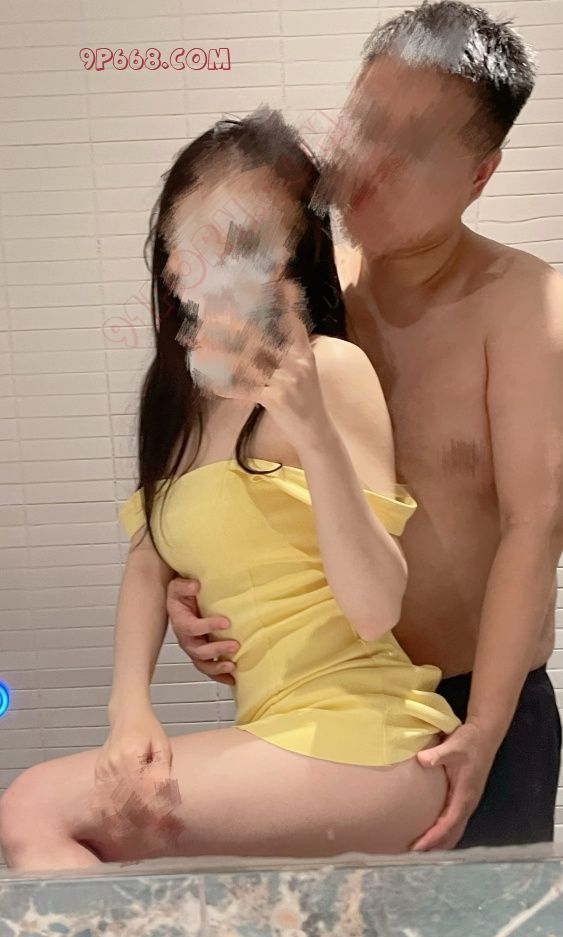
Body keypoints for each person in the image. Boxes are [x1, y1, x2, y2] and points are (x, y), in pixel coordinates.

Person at [0, 107, 462, 873]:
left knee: (31, 809)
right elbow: (148, 563)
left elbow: (376, 607)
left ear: (290, 256)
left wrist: (313, 432)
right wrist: (129, 711)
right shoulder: (180, 400)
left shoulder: (329, 369)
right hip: (277, 732)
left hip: (365, 735)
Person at [167, 1, 563, 851]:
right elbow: (218, 469)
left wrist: (484, 731)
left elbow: (534, 527)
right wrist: (187, 590)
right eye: (362, 123)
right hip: (325, 710)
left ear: (479, 173)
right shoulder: (297, 291)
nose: (368, 163)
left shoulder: (524, 308)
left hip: (472, 707)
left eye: (412, 146)